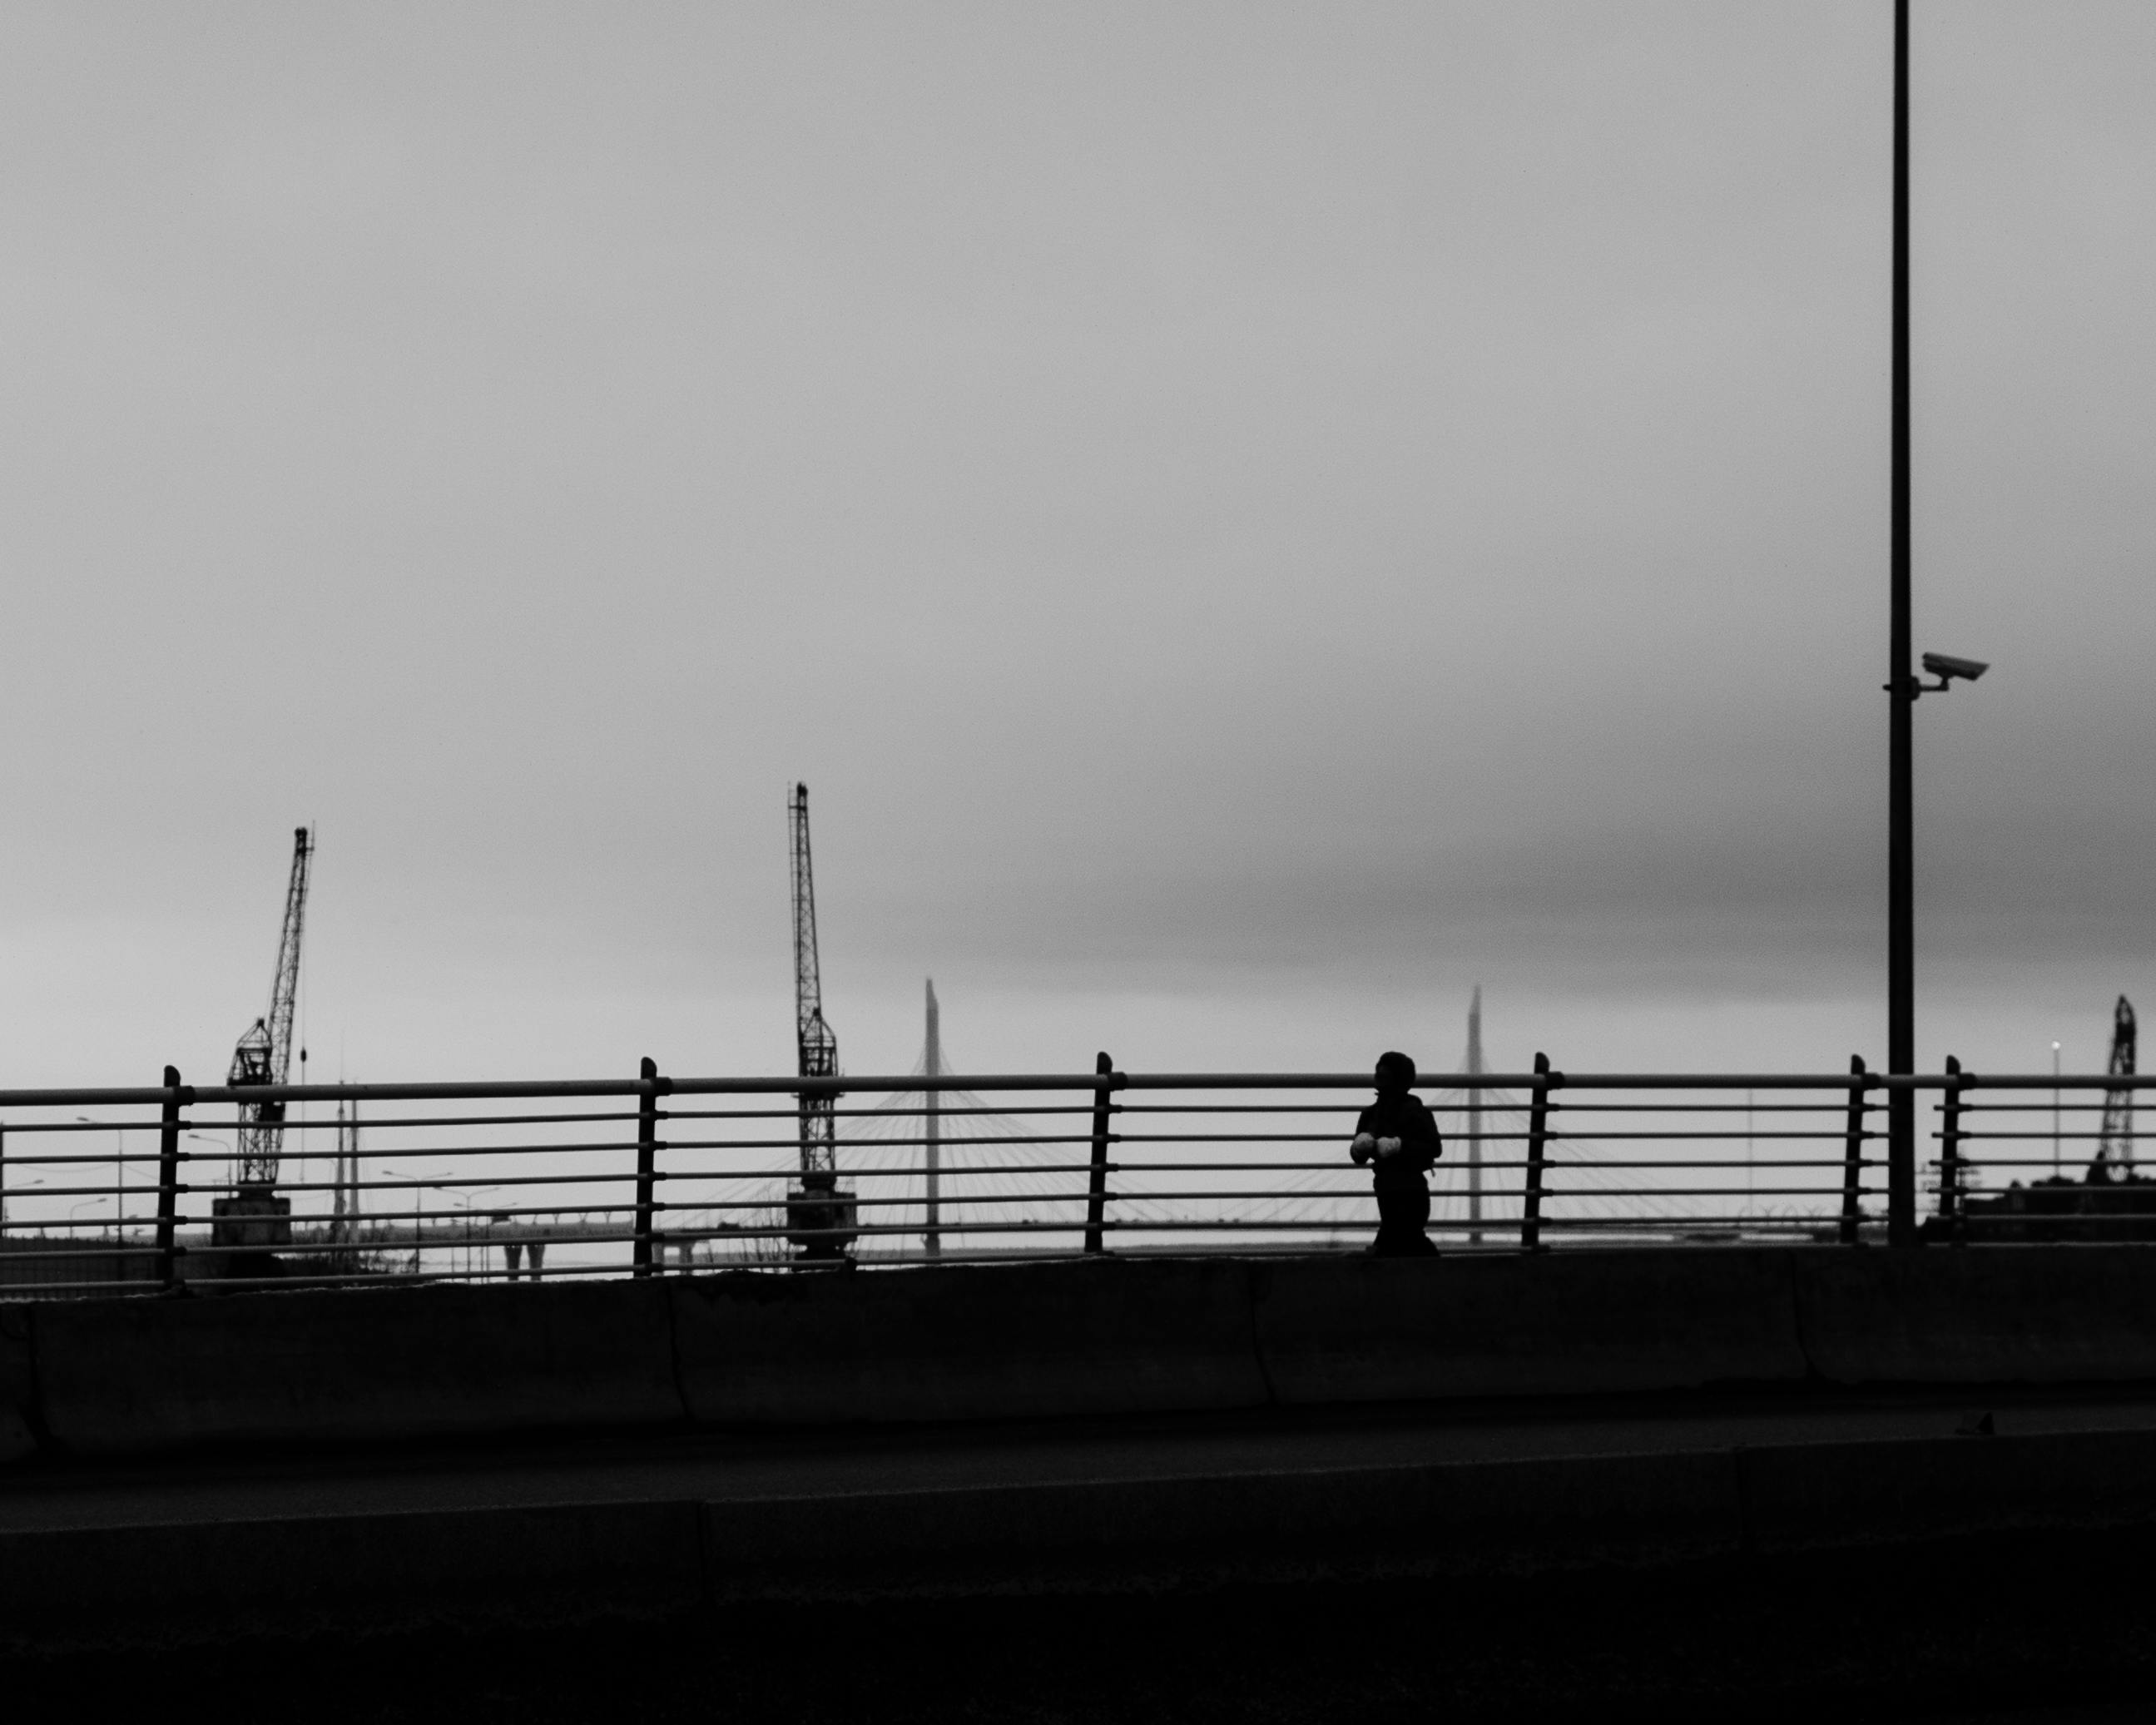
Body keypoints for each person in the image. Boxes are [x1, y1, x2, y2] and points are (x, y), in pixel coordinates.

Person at [1351, 1051, 1442, 1257]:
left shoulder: (1416, 1111)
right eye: (1378, 1077)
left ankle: (1437, 1275)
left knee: (1401, 1237)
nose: (1380, 1083)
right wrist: (1359, 1148)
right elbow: (1359, 1157)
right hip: (1386, 1188)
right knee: (1406, 1239)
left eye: (1385, 1078)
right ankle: (1439, 1275)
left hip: (1410, 1189)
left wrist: (1400, 1146)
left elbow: (1434, 1148)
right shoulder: (1370, 1114)